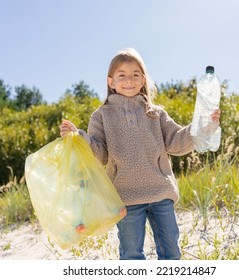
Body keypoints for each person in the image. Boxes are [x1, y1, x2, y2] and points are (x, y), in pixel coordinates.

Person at [60, 48, 221, 260]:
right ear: (111, 82)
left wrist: (203, 127)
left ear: (143, 80)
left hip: (160, 191)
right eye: (122, 75)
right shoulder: (101, 116)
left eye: (135, 75)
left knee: (171, 252)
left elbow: (176, 142)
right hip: (126, 196)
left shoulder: (156, 113)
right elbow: (100, 154)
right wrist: (79, 138)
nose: (129, 80)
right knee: (131, 254)